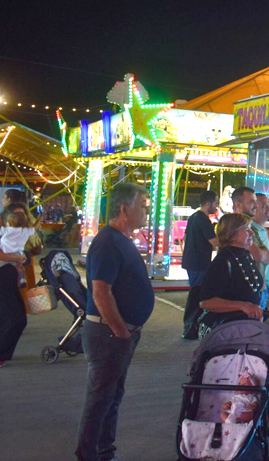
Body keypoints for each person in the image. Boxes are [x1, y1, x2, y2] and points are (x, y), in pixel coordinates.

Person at [76, 182, 155, 461]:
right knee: (101, 399)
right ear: (124, 209)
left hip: (118, 334)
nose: (146, 212)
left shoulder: (121, 239)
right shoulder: (108, 242)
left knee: (111, 397)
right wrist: (121, 332)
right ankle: (89, 454)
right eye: (142, 207)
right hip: (108, 335)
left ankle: (104, 450)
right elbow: (100, 292)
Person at [197, 213, 264, 334]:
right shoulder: (222, 262)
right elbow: (206, 302)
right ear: (231, 235)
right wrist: (243, 306)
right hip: (226, 332)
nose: (252, 234)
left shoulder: (247, 255)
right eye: (247, 230)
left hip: (246, 328)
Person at [0, 202, 36, 367]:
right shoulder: (4, 231)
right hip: (3, 278)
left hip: (11, 280)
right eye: (17, 216)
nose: (20, 219)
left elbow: (30, 253)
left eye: (22, 216)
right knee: (16, 319)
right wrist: (17, 258)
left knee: (15, 318)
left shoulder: (20, 232)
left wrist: (23, 257)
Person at [181, 190, 219, 334]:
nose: (216, 206)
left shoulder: (193, 217)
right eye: (215, 203)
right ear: (208, 203)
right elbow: (214, 241)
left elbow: (185, 237)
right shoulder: (203, 220)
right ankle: (191, 326)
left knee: (196, 292)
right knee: (197, 294)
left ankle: (191, 325)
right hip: (199, 262)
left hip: (191, 260)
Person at [251, 193, 269, 308]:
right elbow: (259, 257)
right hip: (259, 286)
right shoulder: (250, 230)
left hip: (264, 285)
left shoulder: (262, 229)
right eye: (264, 206)